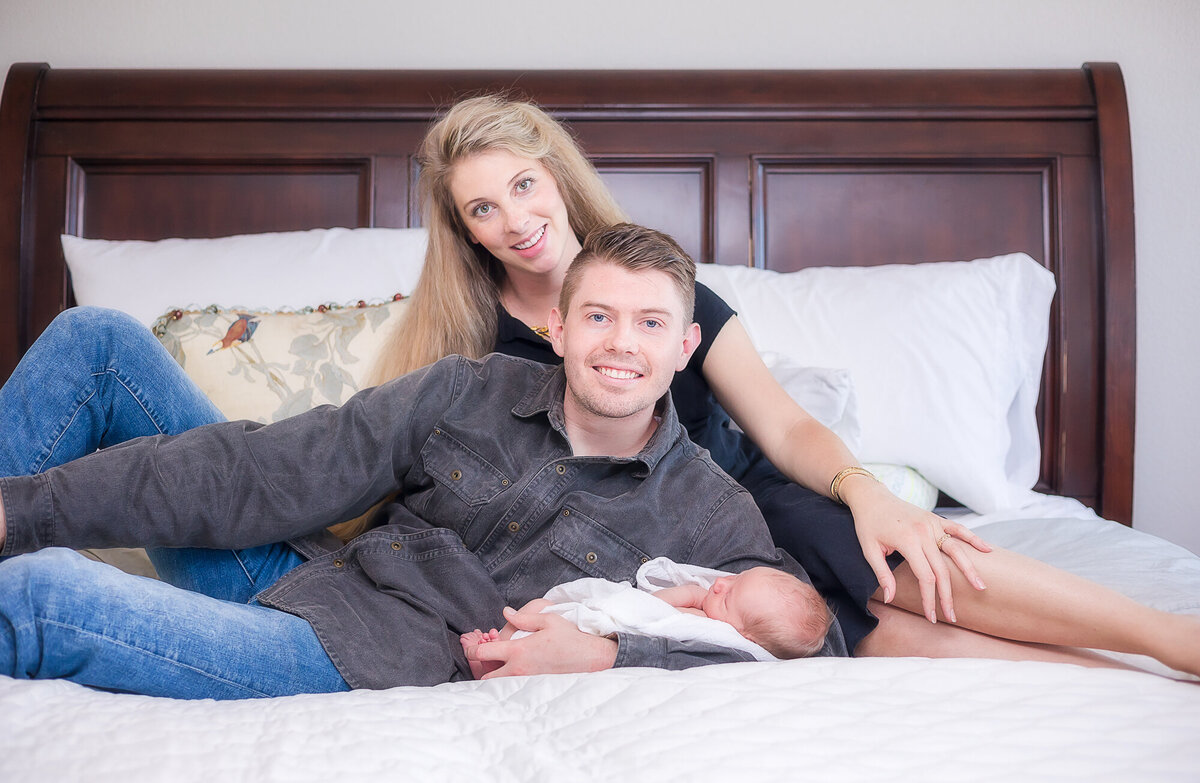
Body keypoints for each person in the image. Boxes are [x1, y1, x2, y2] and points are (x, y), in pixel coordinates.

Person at [1, 95, 1198, 678]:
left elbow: (775, 424)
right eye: (483, 208)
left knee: (876, 595)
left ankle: (1162, 642)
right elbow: (330, 467)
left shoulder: (665, 311)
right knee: (102, 350)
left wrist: (863, 491)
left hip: (729, 495)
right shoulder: (466, 364)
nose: (515, 222)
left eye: (525, 190)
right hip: (415, 573)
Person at [0, 223, 847, 699]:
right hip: (312, 571)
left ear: (688, 345)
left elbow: (809, 653)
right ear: (558, 325)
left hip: (359, 657)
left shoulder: (711, 511)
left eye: (652, 324)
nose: (622, 344)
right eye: (599, 317)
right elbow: (277, 469)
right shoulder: (467, 389)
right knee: (99, 342)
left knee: (42, 594)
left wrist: (607, 656)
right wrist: (25, 509)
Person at [461, 556, 833, 680]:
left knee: (536, 610)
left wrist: (688, 594)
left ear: (746, 637)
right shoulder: (720, 614)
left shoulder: (710, 633)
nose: (718, 584)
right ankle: (499, 649)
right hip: (592, 632)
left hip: (605, 628)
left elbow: (649, 610)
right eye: (734, 580)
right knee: (538, 610)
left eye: (729, 595)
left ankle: (493, 654)